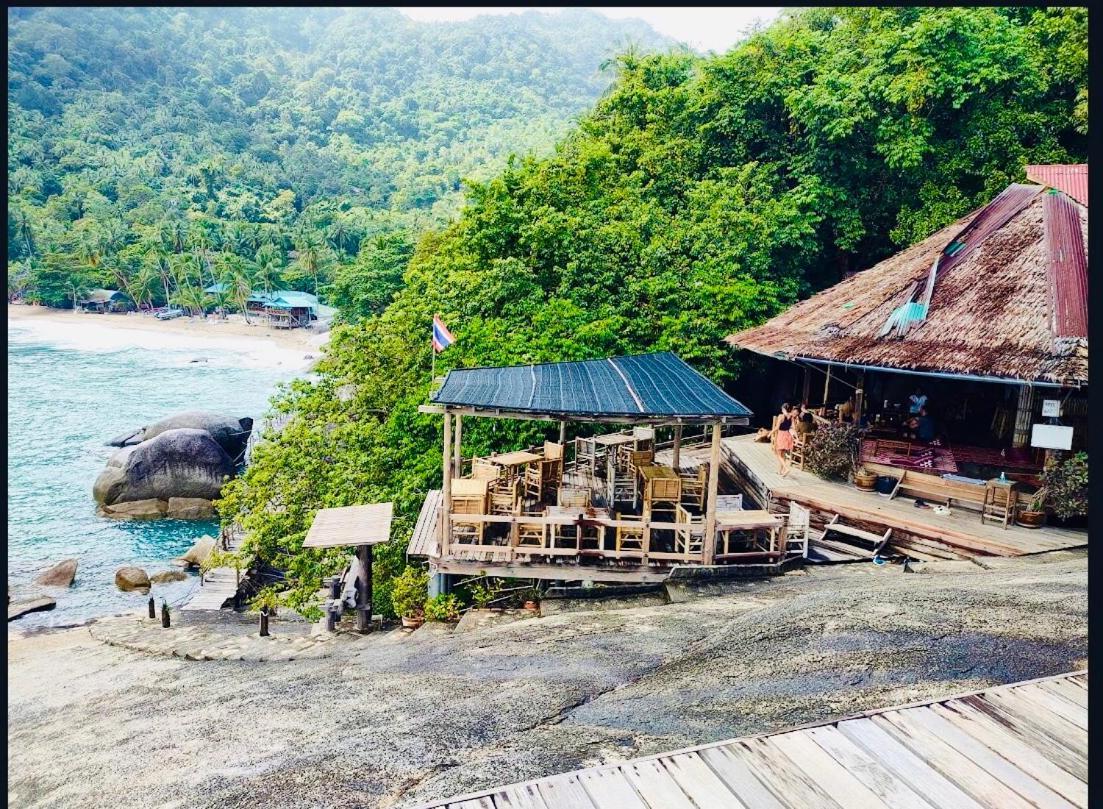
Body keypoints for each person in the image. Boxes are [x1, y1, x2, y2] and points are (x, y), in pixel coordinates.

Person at [772, 403, 796, 476]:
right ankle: (780, 471)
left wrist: (770, 433)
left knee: (778, 454)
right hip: (787, 435)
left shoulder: (781, 416)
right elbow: (793, 427)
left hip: (781, 435)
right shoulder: (791, 417)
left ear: (784, 409)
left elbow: (777, 427)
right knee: (783, 454)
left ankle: (786, 468)